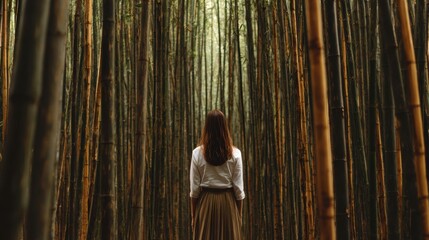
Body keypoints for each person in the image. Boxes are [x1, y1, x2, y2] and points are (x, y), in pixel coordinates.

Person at [189, 109, 245, 240]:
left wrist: (194, 216)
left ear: (206, 128)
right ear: (224, 128)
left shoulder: (197, 153)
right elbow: (239, 190)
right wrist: (238, 215)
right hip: (228, 204)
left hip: (205, 204)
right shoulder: (236, 154)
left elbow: (194, 190)